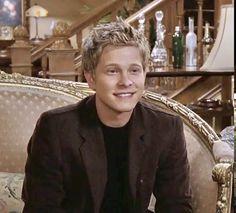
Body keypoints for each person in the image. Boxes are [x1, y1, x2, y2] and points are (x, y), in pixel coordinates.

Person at [22, 18, 193, 213]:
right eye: (112, 71)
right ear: (91, 78)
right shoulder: (55, 128)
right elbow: (41, 208)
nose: (125, 81)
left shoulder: (166, 127)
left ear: (145, 73)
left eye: (134, 70)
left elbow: (177, 206)